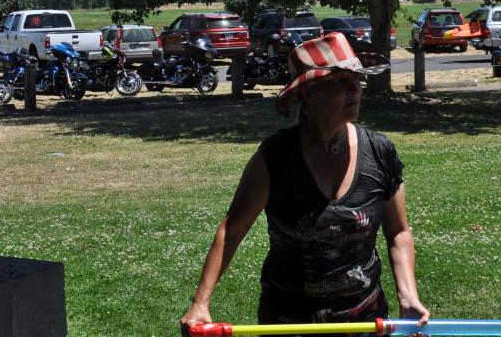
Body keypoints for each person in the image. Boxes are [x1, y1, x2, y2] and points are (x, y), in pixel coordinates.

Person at [180, 32, 430, 332]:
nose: (355, 88)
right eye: (341, 80)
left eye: (356, 78)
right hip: (288, 321)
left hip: (364, 318)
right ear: (311, 94)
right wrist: (200, 303)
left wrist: (408, 297)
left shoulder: (380, 152)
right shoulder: (275, 158)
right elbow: (230, 232)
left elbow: (399, 232)